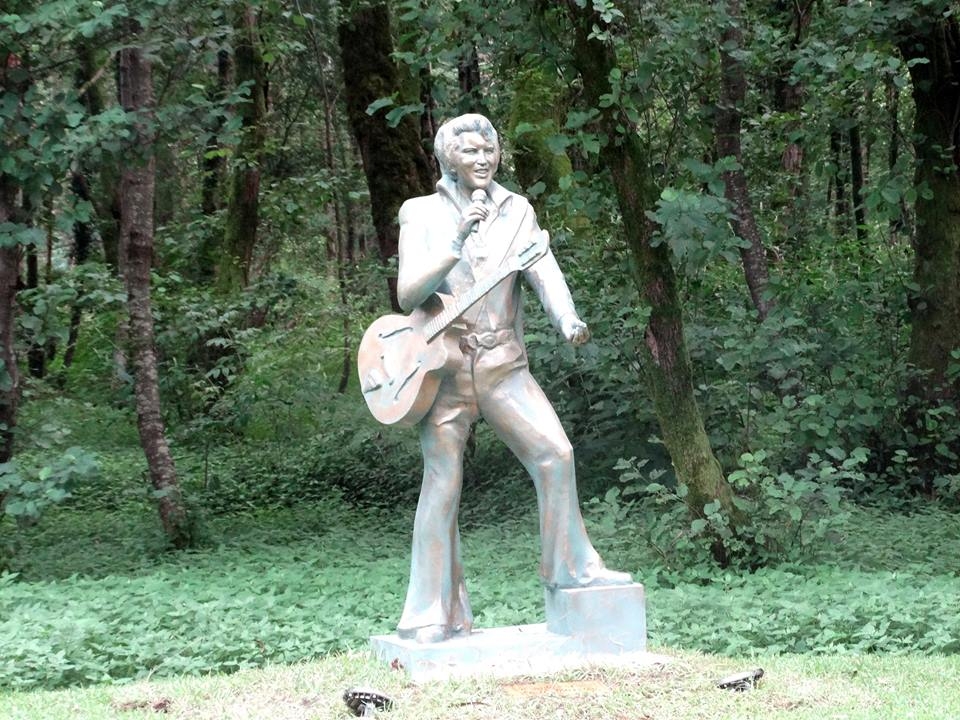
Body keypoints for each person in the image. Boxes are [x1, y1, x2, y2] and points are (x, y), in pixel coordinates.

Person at [395, 114, 630, 644]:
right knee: (442, 482)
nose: (483, 159)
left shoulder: (518, 209)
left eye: (490, 150)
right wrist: (456, 240)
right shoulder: (420, 212)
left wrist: (566, 318)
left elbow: (543, 268)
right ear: (447, 158)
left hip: (503, 364)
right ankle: (432, 612)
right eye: (470, 151)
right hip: (443, 367)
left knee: (556, 454)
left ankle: (571, 570)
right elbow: (409, 294)